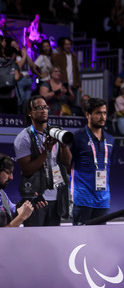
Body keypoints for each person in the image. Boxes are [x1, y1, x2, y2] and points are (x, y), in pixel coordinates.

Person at [13, 95, 71, 226]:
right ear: (29, 112)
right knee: (34, 240)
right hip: (35, 199)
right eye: (38, 108)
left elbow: (67, 162)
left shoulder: (55, 132)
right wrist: (46, 151)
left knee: (52, 239)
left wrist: (63, 145)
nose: (43, 110)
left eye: (45, 107)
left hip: (56, 197)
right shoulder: (23, 138)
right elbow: (27, 170)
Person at [69, 97, 114, 225]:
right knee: (80, 240)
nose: (103, 117)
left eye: (104, 113)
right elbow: (67, 165)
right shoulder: (77, 137)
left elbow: (107, 167)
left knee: (100, 240)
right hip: (82, 199)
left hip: (103, 199)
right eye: (98, 113)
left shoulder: (110, 139)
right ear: (88, 115)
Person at [0, 153, 46, 227]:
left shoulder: (2, 194)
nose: (11, 177)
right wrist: (22, 217)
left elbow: (14, 212)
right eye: (8, 172)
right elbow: (2, 234)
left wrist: (30, 202)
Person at [52, 37, 81, 101]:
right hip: (64, 84)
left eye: (69, 44)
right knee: (64, 104)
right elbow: (54, 69)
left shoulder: (73, 57)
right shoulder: (58, 56)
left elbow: (76, 71)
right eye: (66, 44)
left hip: (73, 85)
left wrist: (79, 85)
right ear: (63, 45)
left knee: (73, 104)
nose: (68, 46)